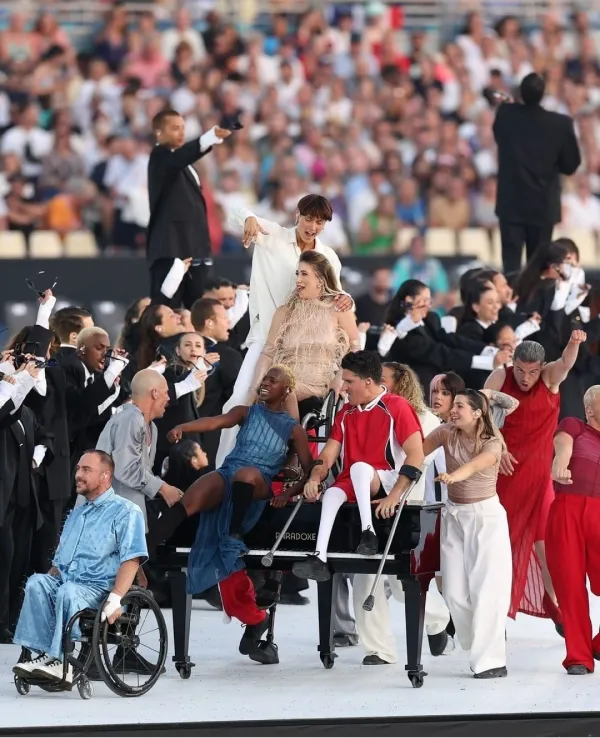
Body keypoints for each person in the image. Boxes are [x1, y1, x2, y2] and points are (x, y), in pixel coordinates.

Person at [146, 366, 312, 662]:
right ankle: (144, 553)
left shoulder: (293, 428)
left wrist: (287, 492)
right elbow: (215, 422)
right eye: (265, 378)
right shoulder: (245, 412)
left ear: (286, 390)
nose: (265, 383)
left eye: (272, 381)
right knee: (197, 491)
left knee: (246, 474)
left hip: (257, 482)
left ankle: (233, 536)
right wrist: (186, 427)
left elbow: (309, 468)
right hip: (229, 473)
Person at [216, 195, 352, 467]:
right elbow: (233, 210)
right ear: (297, 215)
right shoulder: (273, 235)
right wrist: (248, 218)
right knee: (239, 401)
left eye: (320, 221)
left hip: (306, 352)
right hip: (267, 339)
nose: (313, 226)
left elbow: (336, 296)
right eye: (309, 218)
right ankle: (224, 470)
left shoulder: (329, 257)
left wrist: (348, 298)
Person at [12, 451, 147, 685]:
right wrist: (48, 581)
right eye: (77, 469)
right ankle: (43, 655)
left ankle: (60, 660)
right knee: (37, 582)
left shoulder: (126, 511)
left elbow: (131, 559)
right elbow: (61, 561)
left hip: (99, 590)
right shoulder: (77, 512)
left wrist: (116, 598)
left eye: (86, 470)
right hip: (70, 584)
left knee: (67, 591)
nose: (78, 475)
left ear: (105, 476)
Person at [292, 351, 424, 581]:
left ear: (368, 382)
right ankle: (318, 556)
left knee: (359, 468)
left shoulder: (397, 406)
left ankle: (368, 532)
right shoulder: (346, 413)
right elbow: (327, 456)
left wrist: (394, 496)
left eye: (349, 382)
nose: (343, 388)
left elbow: (416, 455)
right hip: (355, 481)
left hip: (386, 480)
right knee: (333, 492)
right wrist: (314, 478)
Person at [484, 332, 587, 628]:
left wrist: (574, 343)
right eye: (519, 370)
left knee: (546, 545)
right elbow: (483, 416)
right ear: (512, 362)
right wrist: (499, 445)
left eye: (532, 372)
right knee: (502, 544)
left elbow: (566, 363)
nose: (525, 378)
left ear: (541, 367)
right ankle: (493, 613)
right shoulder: (499, 377)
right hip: (504, 474)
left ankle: (556, 603)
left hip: (539, 478)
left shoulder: (549, 378)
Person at [424, 389, 511, 679]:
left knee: (486, 591)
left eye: (460, 405)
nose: (454, 409)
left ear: (477, 413)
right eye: (454, 405)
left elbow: (477, 465)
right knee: (453, 591)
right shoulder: (445, 432)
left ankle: (491, 661)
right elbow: (415, 450)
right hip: (453, 515)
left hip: (485, 518)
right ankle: (479, 641)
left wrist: (454, 476)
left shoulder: (492, 442)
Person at [248, 250, 359, 421]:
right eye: (297, 274)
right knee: (274, 397)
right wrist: (253, 391)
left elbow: (355, 347)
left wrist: (340, 377)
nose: (298, 279)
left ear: (320, 280)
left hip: (318, 388)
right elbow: (268, 353)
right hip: (284, 384)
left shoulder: (337, 309)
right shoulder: (284, 312)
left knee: (285, 399)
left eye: (304, 274)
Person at [493, 73, 581, 273]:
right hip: (542, 205)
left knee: (511, 267)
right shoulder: (561, 124)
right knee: (538, 269)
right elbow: (571, 165)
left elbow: (499, 129)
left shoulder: (506, 115)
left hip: (512, 205)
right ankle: (534, 304)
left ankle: (512, 304)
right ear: (543, 94)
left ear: (521, 93)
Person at [147, 109, 232, 309]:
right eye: (175, 128)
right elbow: (179, 158)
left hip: (195, 248)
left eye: (183, 128)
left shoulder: (185, 165)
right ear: (159, 133)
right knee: (167, 311)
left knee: (200, 311)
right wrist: (208, 138)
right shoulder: (159, 157)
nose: (181, 132)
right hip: (171, 248)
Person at [547, 386, 600, 675]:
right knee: (570, 586)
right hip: (568, 511)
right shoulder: (574, 426)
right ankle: (579, 656)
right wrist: (561, 464)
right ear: (590, 409)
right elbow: (562, 447)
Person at [96, 369, 184, 529]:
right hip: (111, 519)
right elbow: (125, 469)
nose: (169, 398)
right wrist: (162, 488)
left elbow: (143, 474)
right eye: (166, 392)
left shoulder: (152, 428)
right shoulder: (130, 419)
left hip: (130, 516)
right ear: (155, 393)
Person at [190, 298, 243, 464]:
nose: (228, 320)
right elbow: (239, 396)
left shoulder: (174, 349)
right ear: (209, 323)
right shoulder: (225, 355)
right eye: (224, 316)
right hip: (214, 442)